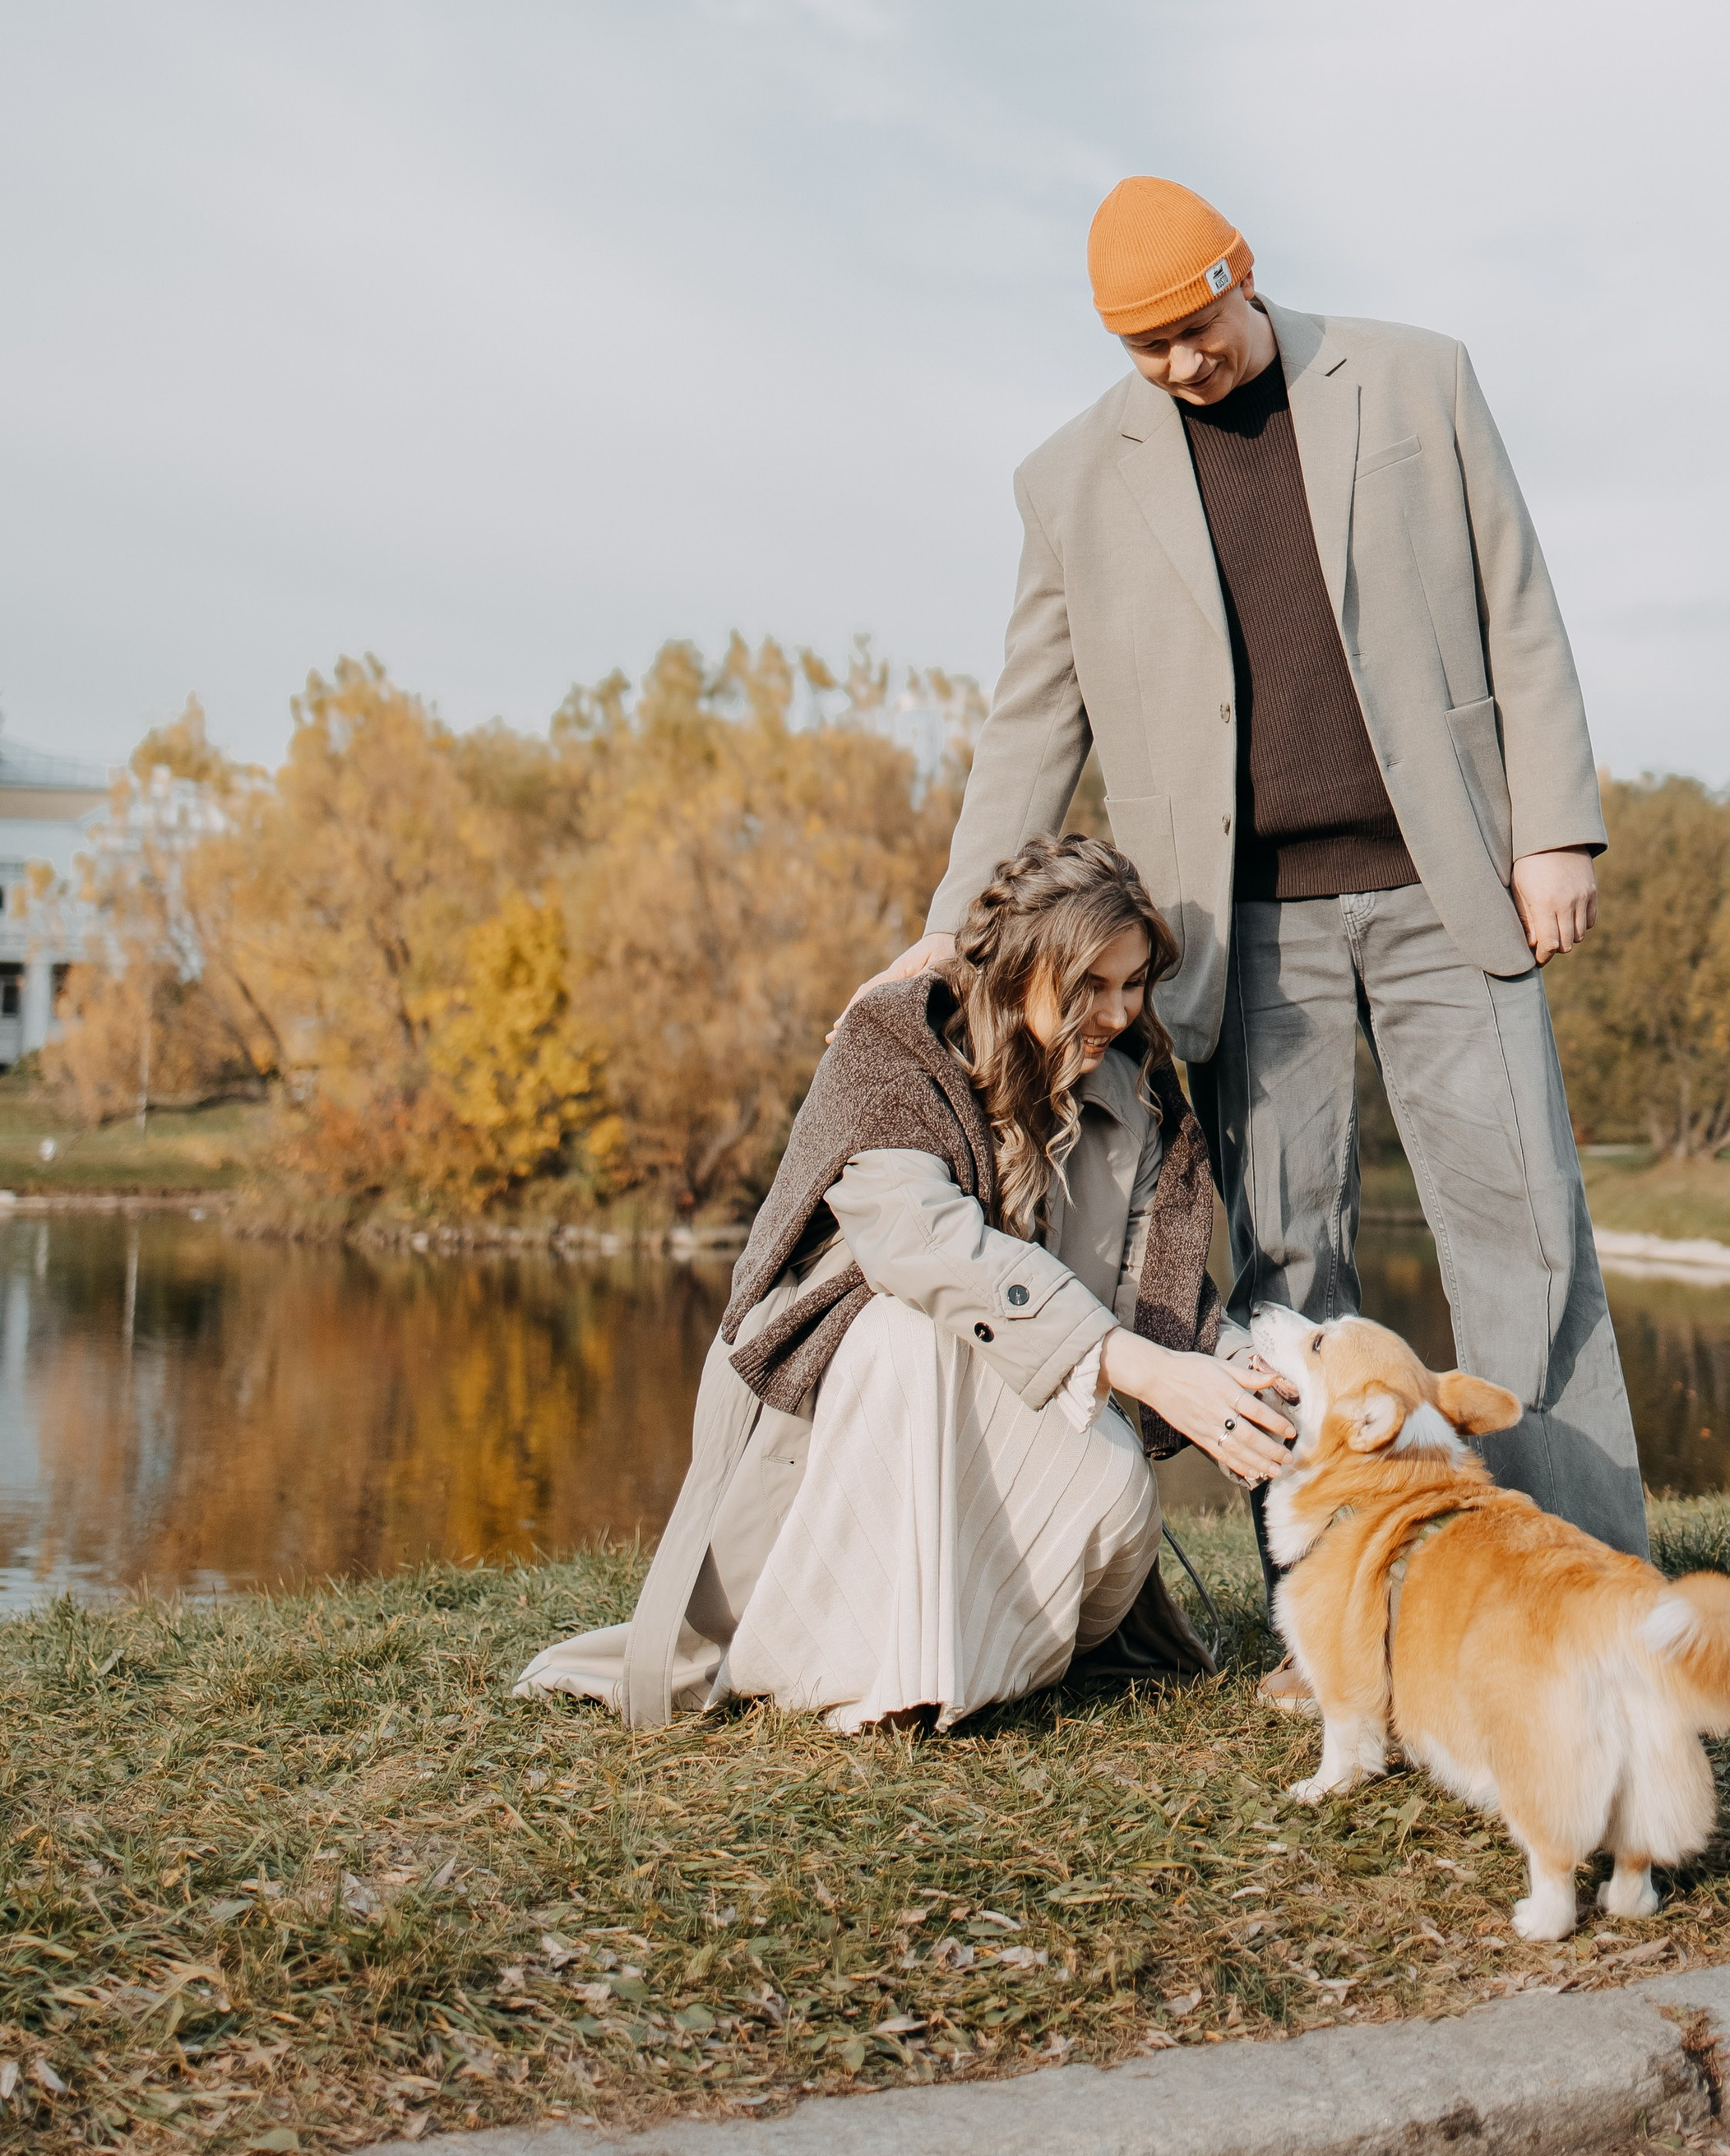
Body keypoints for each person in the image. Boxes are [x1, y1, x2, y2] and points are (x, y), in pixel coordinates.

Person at [861, 176, 1649, 1661]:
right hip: (1242, 933)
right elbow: (1033, 718)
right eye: (1140, 346)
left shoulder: (1418, 377)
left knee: (1529, 1242)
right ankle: (1344, 1628)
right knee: (1293, 1282)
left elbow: (1518, 603)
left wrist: (1553, 825)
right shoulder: (1069, 481)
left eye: (1192, 326)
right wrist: (952, 929)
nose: (1177, 364)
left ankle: (1593, 1597)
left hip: (1444, 887)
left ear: (1242, 272)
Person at [516, 833, 1293, 1734]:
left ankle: (961, 1660)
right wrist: (1139, 1369)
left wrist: (1254, 1378)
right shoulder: (892, 1050)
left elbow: (1165, 1311)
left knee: (1117, 1481)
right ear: (1017, 969)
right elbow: (923, 1248)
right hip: (845, 1410)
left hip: (1010, 1408)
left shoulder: (1136, 1099)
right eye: (1092, 986)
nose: (1120, 1013)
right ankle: (897, 1679)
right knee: (913, 1330)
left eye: (1133, 985)